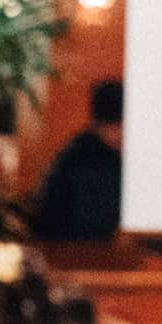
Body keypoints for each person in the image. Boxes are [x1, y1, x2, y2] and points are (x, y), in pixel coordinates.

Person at [34, 77, 125, 243]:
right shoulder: (87, 158)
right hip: (70, 249)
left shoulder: (79, 149)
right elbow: (94, 224)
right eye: (118, 126)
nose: (123, 134)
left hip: (65, 247)